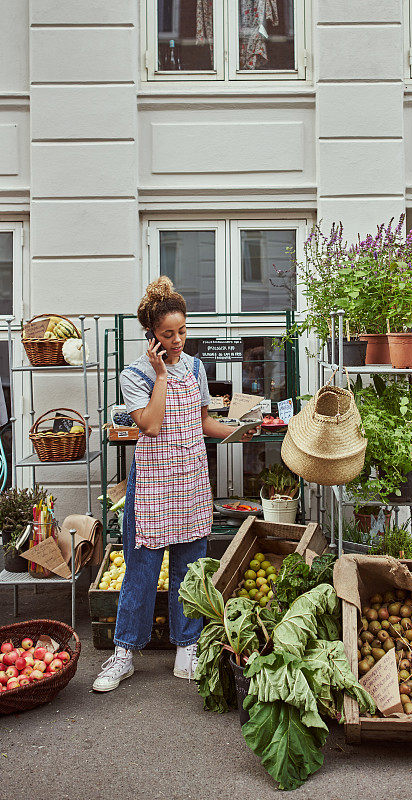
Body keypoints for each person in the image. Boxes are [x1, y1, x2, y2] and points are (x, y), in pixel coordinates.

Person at [93, 277, 258, 692]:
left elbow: (203, 422)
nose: (179, 340)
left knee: (189, 570)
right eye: (169, 334)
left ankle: (187, 648)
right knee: (141, 572)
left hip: (190, 484)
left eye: (183, 331)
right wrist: (160, 374)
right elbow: (149, 424)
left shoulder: (198, 368)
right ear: (151, 336)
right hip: (150, 486)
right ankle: (125, 653)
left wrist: (237, 432)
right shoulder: (135, 374)